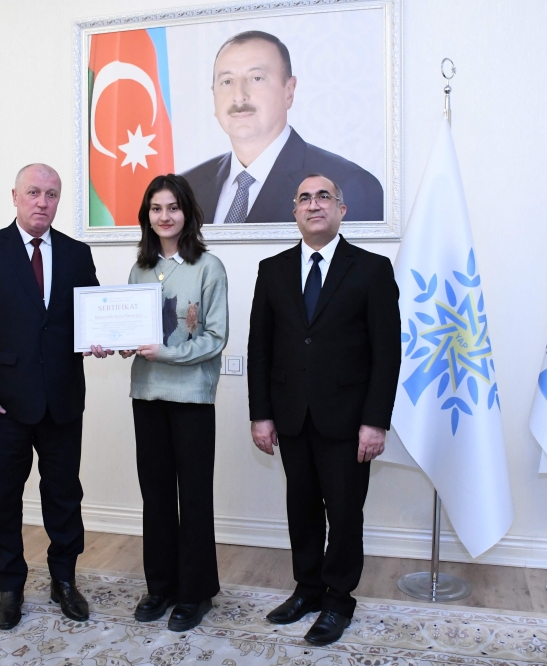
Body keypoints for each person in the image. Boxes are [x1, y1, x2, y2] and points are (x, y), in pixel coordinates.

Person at [0, 164, 112, 631]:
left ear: (59, 200)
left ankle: (64, 581)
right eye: (34, 192)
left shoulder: (77, 253)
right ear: (15, 196)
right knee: (4, 499)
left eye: (51, 194)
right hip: (2, 406)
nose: (43, 202)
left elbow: (92, 317)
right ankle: (10, 586)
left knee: (65, 496)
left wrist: (102, 337)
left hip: (62, 401)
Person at [246, 174, 401, 645]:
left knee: (345, 513)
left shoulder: (372, 269)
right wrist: (261, 414)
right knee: (302, 509)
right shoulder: (272, 270)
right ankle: (308, 589)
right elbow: (260, 348)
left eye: (324, 197)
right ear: (295, 211)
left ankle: (338, 600)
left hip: (349, 420)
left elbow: (387, 353)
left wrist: (375, 421)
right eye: (305, 198)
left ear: (341, 209)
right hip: (291, 415)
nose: (314, 205)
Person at [117, 174, 229, 632]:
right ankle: (159, 587)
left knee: (195, 497)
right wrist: (115, 342)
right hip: (146, 395)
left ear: (188, 213)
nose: (165, 216)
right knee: (156, 495)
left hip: (191, 398)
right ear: (147, 215)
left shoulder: (209, 267)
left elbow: (215, 338)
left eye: (173, 207)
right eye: (156, 208)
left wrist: (165, 352)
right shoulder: (139, 270)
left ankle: (195, 593)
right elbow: (131, 331)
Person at [182, 31, 384, 225]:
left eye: (256, 78)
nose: (239, 96)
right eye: (227, 81)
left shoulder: (349, 185)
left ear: (289, 91)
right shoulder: (186, 187)